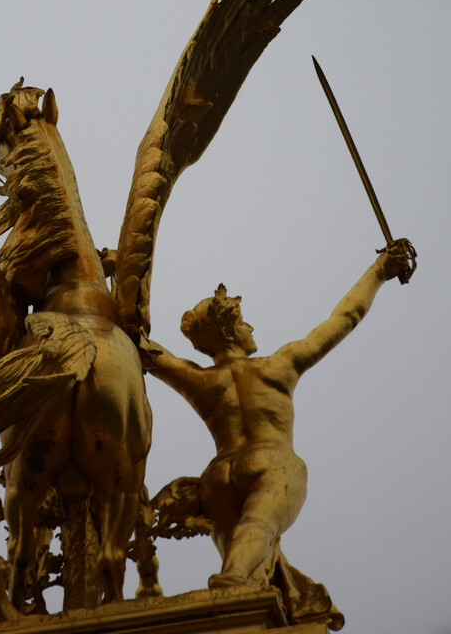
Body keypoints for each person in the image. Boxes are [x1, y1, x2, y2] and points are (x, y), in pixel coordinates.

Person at [140, 239, 415, 593]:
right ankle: (229, 587)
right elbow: (345, 318)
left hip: (218, 478)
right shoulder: (279, 367)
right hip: (273, 463)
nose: (250, 326)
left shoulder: (199, 380)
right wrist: (379, 271)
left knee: (247, 563)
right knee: (249, 546)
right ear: (228, 330)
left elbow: (145, 347)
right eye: (242, 320)